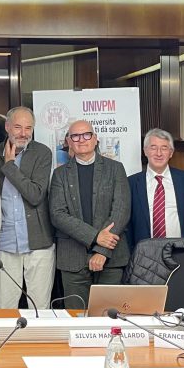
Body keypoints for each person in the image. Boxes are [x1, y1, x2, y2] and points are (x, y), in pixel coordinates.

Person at [49, 120, 131, 307]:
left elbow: (121, 210)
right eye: (75, 136)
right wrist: (95, 237)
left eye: (86, 135)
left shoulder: (115, 168)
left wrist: (101, 250)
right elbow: (57, 214)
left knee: (108, 317)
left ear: (95, 139)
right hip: (72, 259)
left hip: (111, 258)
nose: (81, 140)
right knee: (75, 317)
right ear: (68, 141)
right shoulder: (60, 174)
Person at [0, 106, 55, 310]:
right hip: (3, 243)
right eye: (18, 127)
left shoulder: (42, 153)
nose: (23, 133)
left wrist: (9, 166)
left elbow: (35, 195)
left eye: (28, 128)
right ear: (7, 127)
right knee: (5, 309)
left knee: (40, 309)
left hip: (38, 243)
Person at [127, 128, 184, 249]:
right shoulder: (131, 183)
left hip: (183, 252)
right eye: (153, 147)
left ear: (171, 153)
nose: (159, 153)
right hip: (144, 253)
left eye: (164, 148)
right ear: (145, 151)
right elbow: (127, 225)